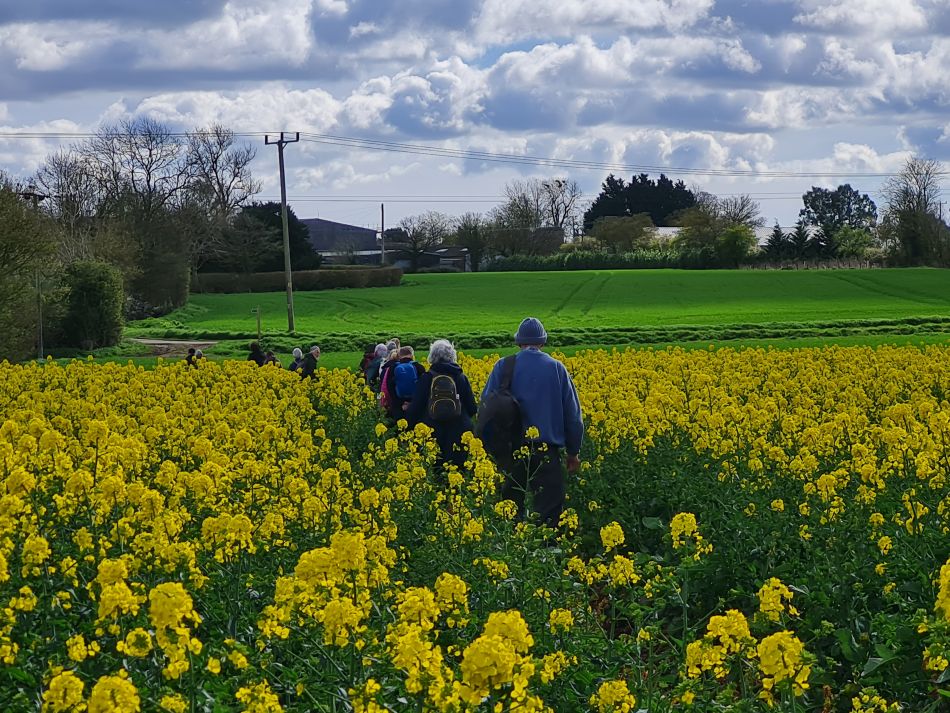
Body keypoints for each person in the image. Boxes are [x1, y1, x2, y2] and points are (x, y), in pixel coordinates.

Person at [479, 317, 583, 526]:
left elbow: (485, 407)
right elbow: (573, 415)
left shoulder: (503, 366)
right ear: (542, 342)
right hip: (546, 452)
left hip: (510, 450)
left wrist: (487, 449)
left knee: (509, 508)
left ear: (519, 342)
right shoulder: (557, 368)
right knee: (549, 511)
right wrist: (573, 452)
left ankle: (512, 543)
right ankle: (546, 544)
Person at [407, 340, 477, 469]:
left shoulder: (427, 378)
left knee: (435, 470)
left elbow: (415, 408)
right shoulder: (461, 377)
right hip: (459, 431)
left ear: (432, 357)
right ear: (452, 355)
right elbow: (472, 408)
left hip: (432, 432)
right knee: (458, 470)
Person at [381, 346, 425, 419]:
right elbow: (423, 388)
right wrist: (412, 403)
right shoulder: (419, 367)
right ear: (412, 355)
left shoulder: (392, 368)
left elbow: (389, 388)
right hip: (415, 407)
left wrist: (400, 403)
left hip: (398, 407)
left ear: (399, 356)